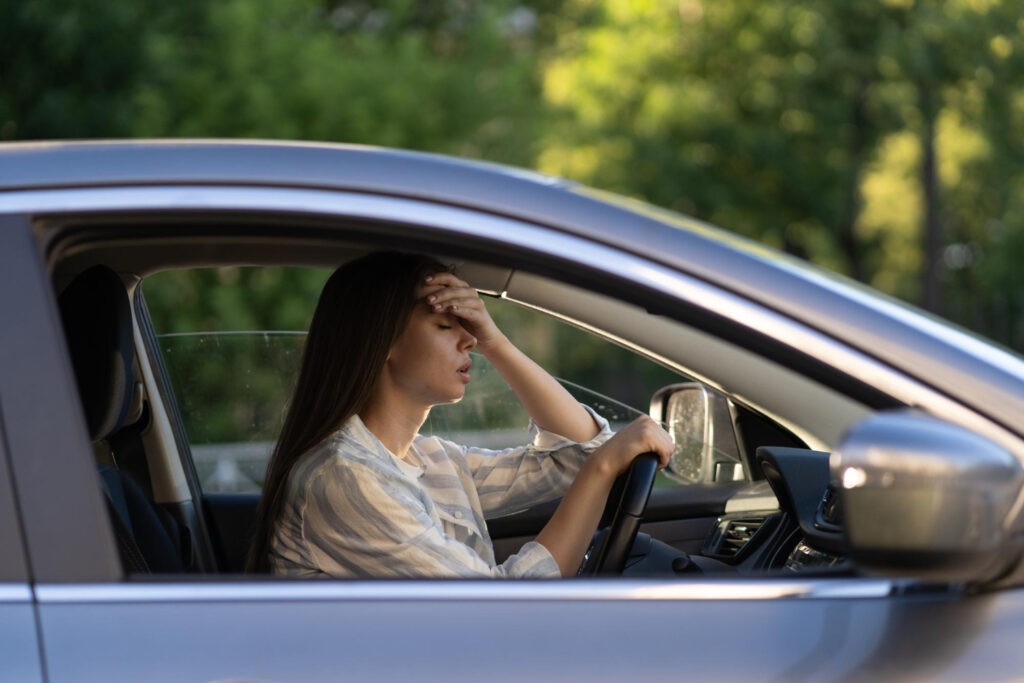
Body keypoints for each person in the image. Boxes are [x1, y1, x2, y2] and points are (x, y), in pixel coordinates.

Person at [247, 251, 674, 578]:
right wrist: (603, 466)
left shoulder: (431, 459)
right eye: (445, 326)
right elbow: (495, 613)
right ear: (383, 343)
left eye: (470, 328)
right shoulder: (343, 477)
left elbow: (575, 456)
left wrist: (497, 343)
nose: (470, 339)